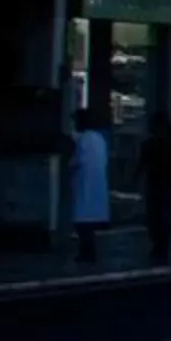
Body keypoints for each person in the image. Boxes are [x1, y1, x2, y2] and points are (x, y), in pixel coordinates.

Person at [69, 106, 112, 263]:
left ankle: (86, 253)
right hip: (95, 185)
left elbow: (78, 161)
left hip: (84, 184)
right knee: (88, 222)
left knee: (83, 223)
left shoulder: (84, 140)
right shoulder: (99, 139)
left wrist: (70, 165)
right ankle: (88, 252)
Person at [142, 114, 171, 266]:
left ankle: (158, 245)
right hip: (166, 182)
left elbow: (142, 163)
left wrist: (134, 176)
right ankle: (162, 245)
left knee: (155, 216)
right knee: (163, 216)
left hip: (156, 183)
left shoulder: (149, 144)